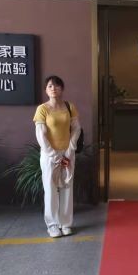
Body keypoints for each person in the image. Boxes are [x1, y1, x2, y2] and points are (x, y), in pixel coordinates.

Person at [33, 75, 81, 238]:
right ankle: (52, 225)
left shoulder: (69, 106)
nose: (53, 88)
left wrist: (69, 150)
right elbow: (41, 135)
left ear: (62, 88)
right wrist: (53, 155)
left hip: (67, 153)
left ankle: (65, 224)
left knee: (67, 186)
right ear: (46, 90)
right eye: (50, 86)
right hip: (49, 156)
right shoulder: (42, 109)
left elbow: (76, 129)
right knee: (50, 189)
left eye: (57, 86)